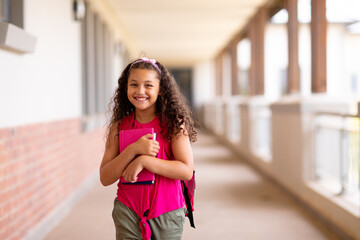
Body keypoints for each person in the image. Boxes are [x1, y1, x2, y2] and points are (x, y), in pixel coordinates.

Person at [99, 57, 197, 240]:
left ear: (161, 90)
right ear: (125, 88)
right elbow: (105, 177)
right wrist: (133, 150)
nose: (140, 91)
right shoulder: (119, 127)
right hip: (127, 210)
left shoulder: (174, 125)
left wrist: (144, 161)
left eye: (148, 85)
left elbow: (186, 171)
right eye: (134, 84)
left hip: (166, 211)